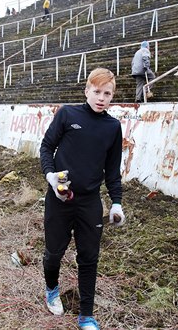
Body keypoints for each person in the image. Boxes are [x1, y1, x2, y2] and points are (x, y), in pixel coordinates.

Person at [39, 67, 125, 330]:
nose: (101, 98)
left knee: (89, 258)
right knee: (54, 253)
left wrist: (117, 202)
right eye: (97, 91)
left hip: (89, 202)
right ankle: (52, 289)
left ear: (112, 97)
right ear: (87, 90)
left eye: (107, 93)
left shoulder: (112, 127)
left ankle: (86, 315)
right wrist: (51, 176)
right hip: (60, 198)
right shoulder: (67, 114)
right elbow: (46, 147)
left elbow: (112, 170)